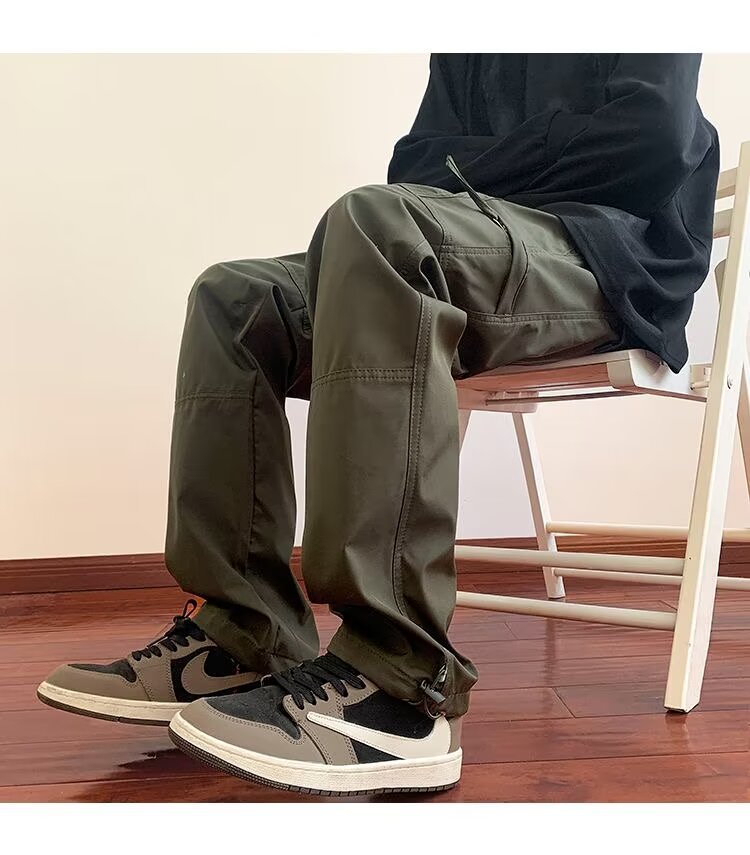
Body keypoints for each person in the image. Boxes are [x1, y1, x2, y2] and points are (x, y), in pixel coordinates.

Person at [37, 54, 719, 795]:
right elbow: (415, 164)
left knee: (380, 224)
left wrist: (477, 169)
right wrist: (526, 160)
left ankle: (398, 685)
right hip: (476, 241)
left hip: (607, 258)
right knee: (235, 297)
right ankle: (241, 634)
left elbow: (649, 141)